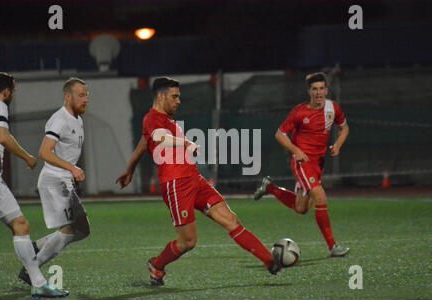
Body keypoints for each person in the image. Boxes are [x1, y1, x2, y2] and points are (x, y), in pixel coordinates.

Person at [116, 77, 282, 286]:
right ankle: (157, 265)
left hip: (195, 179)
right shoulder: (152, 118)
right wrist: (185, 142)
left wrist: (129, 168)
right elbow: (158, 138)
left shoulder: (165, 119)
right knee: (188, 241)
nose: (178, 101)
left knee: (231, 221)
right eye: (174, 97)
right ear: (161, 96)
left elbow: (144, 141)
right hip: (176, 185)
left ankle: (270, 261)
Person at [0, 72, 68, 298]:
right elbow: (2, 137)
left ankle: (38, 283)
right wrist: (27, 156)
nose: (13, 95)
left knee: (21, 225)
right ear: (6, 91)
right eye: (14, 91)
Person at [254, 72, 350, 257]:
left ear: (326, 90)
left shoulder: (332, 108)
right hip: (303, 163)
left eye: (322, 88)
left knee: (301, 208)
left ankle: (271, 188)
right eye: (315, 89)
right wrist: (296, 151)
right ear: (309, 92)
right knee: (320, 198)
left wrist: (337, 144)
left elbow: (344, 128)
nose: (319, 92)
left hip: (318, 163)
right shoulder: (300, 112)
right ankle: (333, 247)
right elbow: (280, 134)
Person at [18, 77, 90, 287]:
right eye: (81, 95)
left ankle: (36, 247)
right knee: (68, 230)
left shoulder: (77, 118)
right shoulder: (60, 120)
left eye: (87, 95)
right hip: (54, 180)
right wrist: (71, 168)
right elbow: (44, 152)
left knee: (83, 230)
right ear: (67, 96)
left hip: (64, 180)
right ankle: (32, 269)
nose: (85, 100)